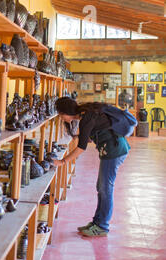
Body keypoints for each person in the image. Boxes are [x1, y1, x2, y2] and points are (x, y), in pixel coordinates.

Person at [52, 97, 131, 237]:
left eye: (61, 114)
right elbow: (93, 133)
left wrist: (62, 162)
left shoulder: (86, 118)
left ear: (66, 112)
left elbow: (81, 148)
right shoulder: (86, 114)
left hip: (114, 151)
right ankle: (97, 222)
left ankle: (102, 226)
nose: (61, 118)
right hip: (112, 149)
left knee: (105, 188)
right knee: (101, 187)